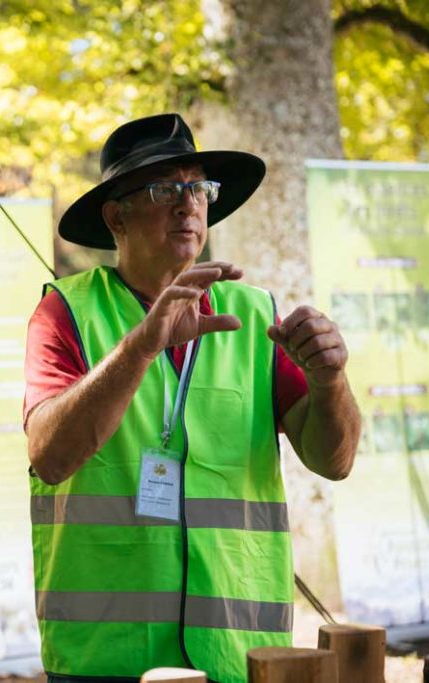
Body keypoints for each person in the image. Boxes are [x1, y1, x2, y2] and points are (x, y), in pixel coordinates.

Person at [24, 114, 360, 683]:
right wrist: (139, 349)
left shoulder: (255, 315)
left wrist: (331, 381)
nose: (188, 204)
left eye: (198, 188)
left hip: (242, 653)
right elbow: (49, 457)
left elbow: (335, 460)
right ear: (116, 216)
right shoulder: (66, 311)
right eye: (164, 189)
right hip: (107, 660)